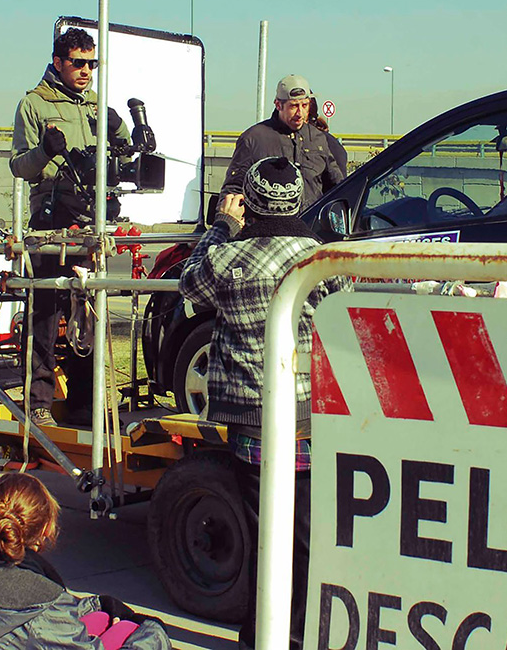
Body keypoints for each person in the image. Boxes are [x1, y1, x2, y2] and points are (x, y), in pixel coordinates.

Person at [178, 156, 350, 650]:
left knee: (264, 536)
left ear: (250, 203)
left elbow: (189, 283)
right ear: (296, 201)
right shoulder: (319, 258)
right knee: (308, 535)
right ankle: (302, 633)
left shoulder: (227, 258)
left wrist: (222, 225)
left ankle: (262, 636)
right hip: (310, 417)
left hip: (252, 422)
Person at [9, 27, 133, 426]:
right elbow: (19, 166)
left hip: (90, 216)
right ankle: (39, 403)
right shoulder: (34, 104)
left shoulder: (96, 103)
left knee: (88, 313)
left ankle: (85, 403)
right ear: (58, 62)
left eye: (92, 63)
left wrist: (119, 127)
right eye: (78, 63)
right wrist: (44, 150)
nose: (86, 71)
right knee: (45, 314)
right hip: (52, 219)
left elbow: (123, 153)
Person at [0, 472, 170, 650]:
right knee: (130, 631)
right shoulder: (40, 604)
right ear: (46, 531)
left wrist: (100, 604)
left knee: (101, 618)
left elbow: (48, 615)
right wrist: (152, 629)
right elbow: (46, 619)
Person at [221, 75, 346, 214]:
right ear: (278, 105)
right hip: (268, 225)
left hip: (310, 225)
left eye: (304, 105)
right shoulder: (253, 139)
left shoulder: (318, 139)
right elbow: (233, 189)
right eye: (294, 106)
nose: (300, 113)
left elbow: (338, 186)